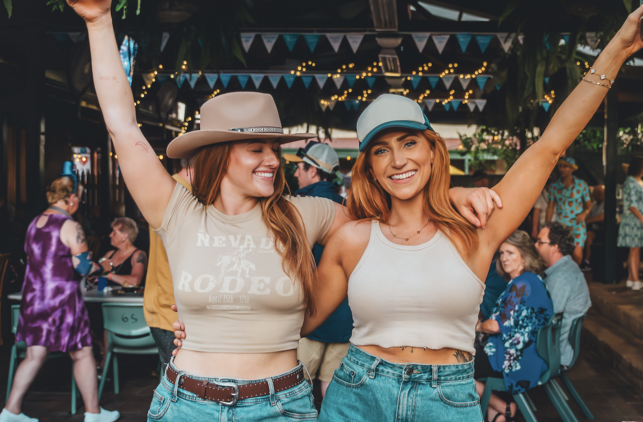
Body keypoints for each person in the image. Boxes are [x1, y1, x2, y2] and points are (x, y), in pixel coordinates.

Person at [73, 2, 489, 419]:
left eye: (275, 148)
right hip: (187, 404)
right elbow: (123, 126)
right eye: (257, 149)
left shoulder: (304, 214)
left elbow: (391, 220)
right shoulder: (176, 210)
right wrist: (99, 21)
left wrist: (451, 196)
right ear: (218, 155)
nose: (273, 160)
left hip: (281, 405)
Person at [301, 8, 643, 419]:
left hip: (447, 396)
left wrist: (618, 49)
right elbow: (300, 321)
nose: (397, 160)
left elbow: (549, 147)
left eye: (408, 143)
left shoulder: (477, 230)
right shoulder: (352, 239)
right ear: (368, 168)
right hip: (359, 392)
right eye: (381, 150)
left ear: (433, 151)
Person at [0, 165, 119, 422]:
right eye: (80, 197)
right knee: (83, 352)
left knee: (34, 354)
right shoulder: (69, 225)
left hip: (33, 298)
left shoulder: (35, 224)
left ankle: (10, 411)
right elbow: (84, 267)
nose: (79, 203)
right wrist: (103, 266)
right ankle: (93, 413)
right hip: (61, 299)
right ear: (71, 198)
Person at [286, 141, 352, 398]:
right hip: (345, 318)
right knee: (332, 391)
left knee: (296, 391)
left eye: (299, 168)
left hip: (307, 319)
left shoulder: (298, 208)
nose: (295, 174)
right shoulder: (348, 209)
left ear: (313, 171)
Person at [475, 231, 551, 422]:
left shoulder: (521, 284)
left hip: (516, 359)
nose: (504, 258)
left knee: (453, 365)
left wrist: (477, 327)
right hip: (529, 353)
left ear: (524, 257)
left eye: (510, 253)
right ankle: (497, 414)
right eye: (501, 253)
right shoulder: (532, 280)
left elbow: (494, 326)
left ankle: (503, 406)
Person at [144, 159, 193, 367]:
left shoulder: (171, 188)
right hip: (172, 310)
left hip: (167, 307)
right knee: (180, 388)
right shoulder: (183, 194)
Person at [535, 222, 591, 366]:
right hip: (555, 347)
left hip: (551, 351)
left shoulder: (560, 278)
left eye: (540, 242)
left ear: (554, 247)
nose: (535, 245)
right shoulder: (567, 268)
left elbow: (545, 321)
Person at [617, 157, 643, 291]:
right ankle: (636, 280)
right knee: (634, 249)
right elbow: (632, 206)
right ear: (640, 167)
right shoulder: (630, 181)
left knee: (635, 249)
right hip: (634, 220)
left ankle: (631, 279)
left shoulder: (639, 181)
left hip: (640, 220)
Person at [546, 157, 591, 265]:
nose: (562, 169)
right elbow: (550, 207)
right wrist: (547, 226)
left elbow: (589, 205)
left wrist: (585, 213)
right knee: (562, 255)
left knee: (577, 254)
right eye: (560, 166)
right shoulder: (554, 186)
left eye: (565, 166)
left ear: (572, 169)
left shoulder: (581, 185)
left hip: (578, 224)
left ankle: (576, 278)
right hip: (562, 224)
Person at [97, 217, 146, 287]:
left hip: (127, 297)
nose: (110, 235)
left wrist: (108, 275)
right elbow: (96, 274)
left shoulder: (139, 254)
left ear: (124, 236)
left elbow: (135, 281)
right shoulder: (109, 254)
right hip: (107, 297)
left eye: (114, 232)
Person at [582, 185, 605, 268]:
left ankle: (586, 261)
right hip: (592, 228)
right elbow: (587, 215)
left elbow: (601, 217)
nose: (595, 196)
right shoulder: (594, 204)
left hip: (603, 231)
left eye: (598, 193)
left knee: (589, 234)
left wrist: (588, 220)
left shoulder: (607, 203)